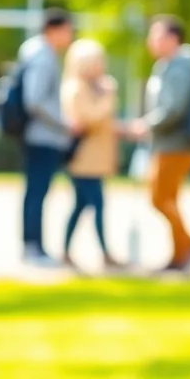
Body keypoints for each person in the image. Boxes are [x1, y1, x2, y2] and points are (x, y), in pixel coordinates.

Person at [127, 15, 190, 271]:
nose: (151, 41)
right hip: (169, 144)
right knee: (166, 198)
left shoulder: (179, 67)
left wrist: (148, 125)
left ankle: (185, 249)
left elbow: (174, 108)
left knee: (160, 198)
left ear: (172, 39)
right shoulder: (168, 66)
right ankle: (186, 246)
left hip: (176, 144)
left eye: (156, 35)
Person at [18, 7, 76, 267]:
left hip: (37, 135)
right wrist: (64, 124)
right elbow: (35, 100)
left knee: (35, 192)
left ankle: (32, 245)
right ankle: (33, 247)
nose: (70, 36)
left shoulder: (35, 52)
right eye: (67, 30)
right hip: (42, 136)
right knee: (37, 192)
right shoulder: (43, 56)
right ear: (54, 29)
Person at [60, 38, 120, 270]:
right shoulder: (76, 89)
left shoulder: (90, 88)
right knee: (96, 204)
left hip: (95, 160)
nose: (101, 67)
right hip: (84, 160)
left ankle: (66, 251)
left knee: (81, 206)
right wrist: (108, 97)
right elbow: (87, 119)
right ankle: (104, 253)